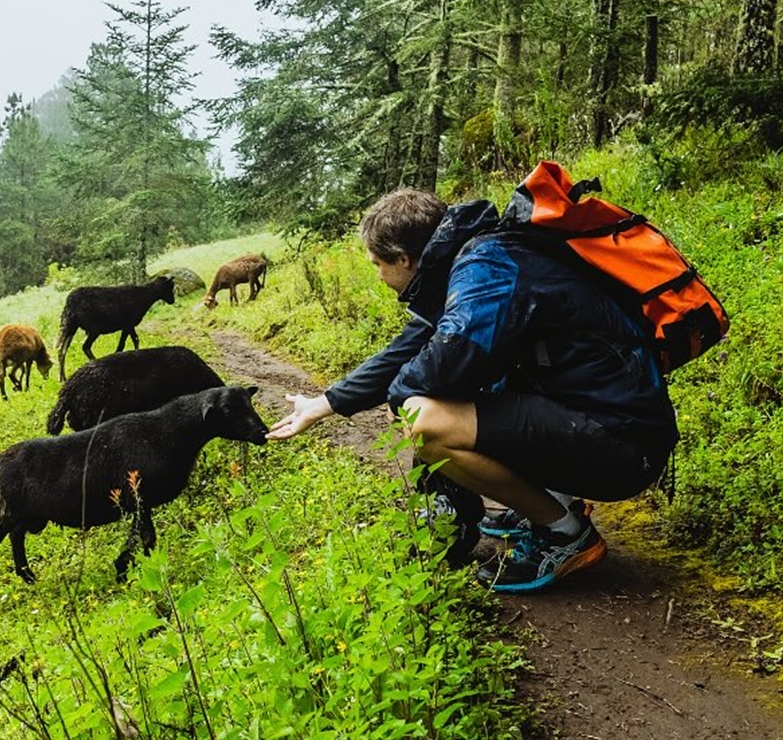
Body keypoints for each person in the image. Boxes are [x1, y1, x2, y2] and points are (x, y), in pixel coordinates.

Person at [266, 188, 679, 593]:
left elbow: (450, 358)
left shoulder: (486, 268)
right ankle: (553, 502)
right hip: (602, 424)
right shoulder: (472, 260)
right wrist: (323, 404)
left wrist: (400, 399)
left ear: (405, 259)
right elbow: (407, 351)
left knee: (427, 421)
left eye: (378, 264)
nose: (378, 275)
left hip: (622, 445)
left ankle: (563, 534)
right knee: (433, 397)